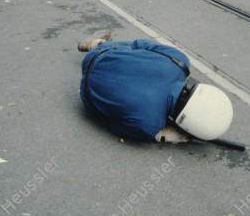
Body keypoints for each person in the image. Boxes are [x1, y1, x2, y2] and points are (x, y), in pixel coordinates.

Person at [78, 32, 233, 144]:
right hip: (87, 93)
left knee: (136, 49)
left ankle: (96, 43)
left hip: (101, 53)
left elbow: (140, 44)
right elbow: (115, 126)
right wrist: (159, 136)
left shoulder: (180, 61)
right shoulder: (149, 124)